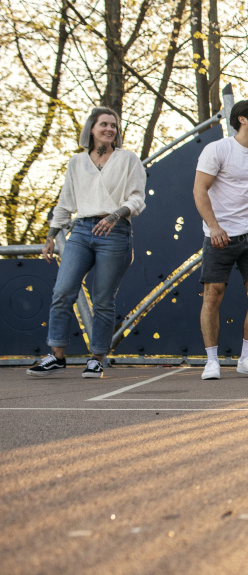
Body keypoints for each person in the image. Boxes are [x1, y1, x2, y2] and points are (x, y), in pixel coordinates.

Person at [28, 107, 146, 379]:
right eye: (104, 124)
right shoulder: (76, 163)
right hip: (80, 231)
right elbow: (65, 203)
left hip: (115, 232)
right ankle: (56, 356)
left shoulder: (128, 159)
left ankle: (97, 358)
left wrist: (116, 215)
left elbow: (137, 199)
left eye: (113, 125)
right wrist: (50, 236)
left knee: (104, 300)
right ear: (91, 129)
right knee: (63, 291)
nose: (109, 129)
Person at [193, 98, 248, 380]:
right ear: (242, 119)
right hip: (219, 235)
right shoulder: (218, 149)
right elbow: (199, 190)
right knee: (212, 296)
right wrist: (214, 226)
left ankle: (246, 358)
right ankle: (211, 361)